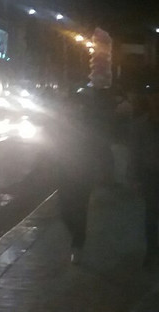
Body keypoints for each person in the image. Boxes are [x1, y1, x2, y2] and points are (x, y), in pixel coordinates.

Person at [50, 90, 113, 263]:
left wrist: (104, 170)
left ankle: (78, 244)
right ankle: (77, 237)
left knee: (79, 209)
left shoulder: (88, 124)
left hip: (83, 174)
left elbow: (100, 148)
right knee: (64, 211)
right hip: (64, 173)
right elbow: (51, 148)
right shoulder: (60, 126)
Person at [129, 87, 159, 266]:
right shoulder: (140, 125)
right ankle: (151, 250)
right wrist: (133, 178)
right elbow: (135, 153)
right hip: (150, 174)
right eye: (154, 99)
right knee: (151, 213)